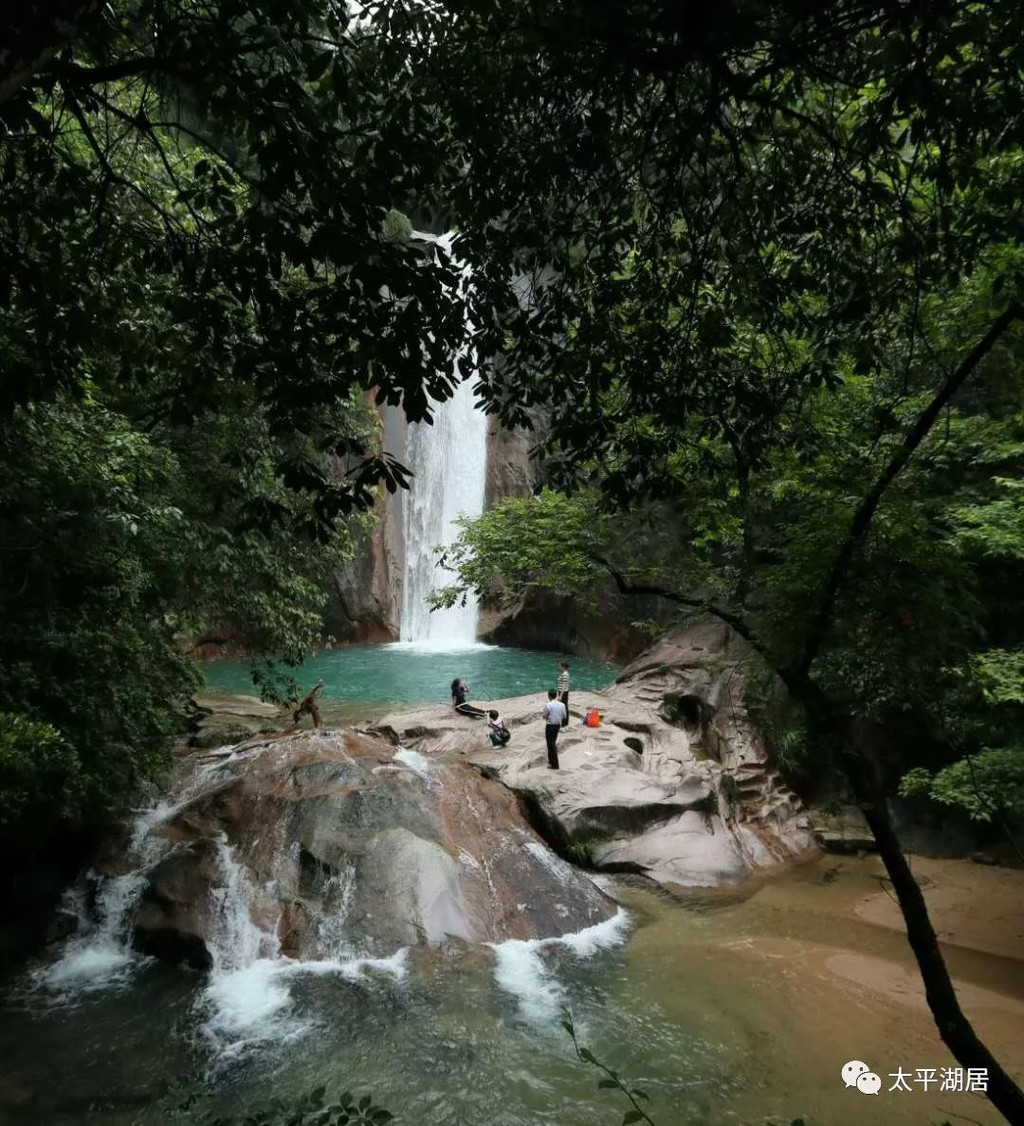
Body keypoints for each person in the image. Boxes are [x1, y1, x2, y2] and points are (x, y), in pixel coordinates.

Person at [543, 688, 567, 769]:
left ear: (549, 696)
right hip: (557, 726)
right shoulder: (562, 705)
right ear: (556, 695)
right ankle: (551, 760)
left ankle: (555, 764)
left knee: (551, 744)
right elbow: (564, 716)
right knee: (552, 742)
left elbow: (544, 716)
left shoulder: (548, 705)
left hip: (550, 726)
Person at [557, 660, 571, 727]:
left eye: (559, 665)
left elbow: (564, 685)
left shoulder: (565, 674)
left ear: (563, 666)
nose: (558, 666)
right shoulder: (565, 673)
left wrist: (560, 696)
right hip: (564, 692)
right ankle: (565, 723)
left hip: (563, 692)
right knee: (564, 707)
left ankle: (564, 724)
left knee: (564, 708)